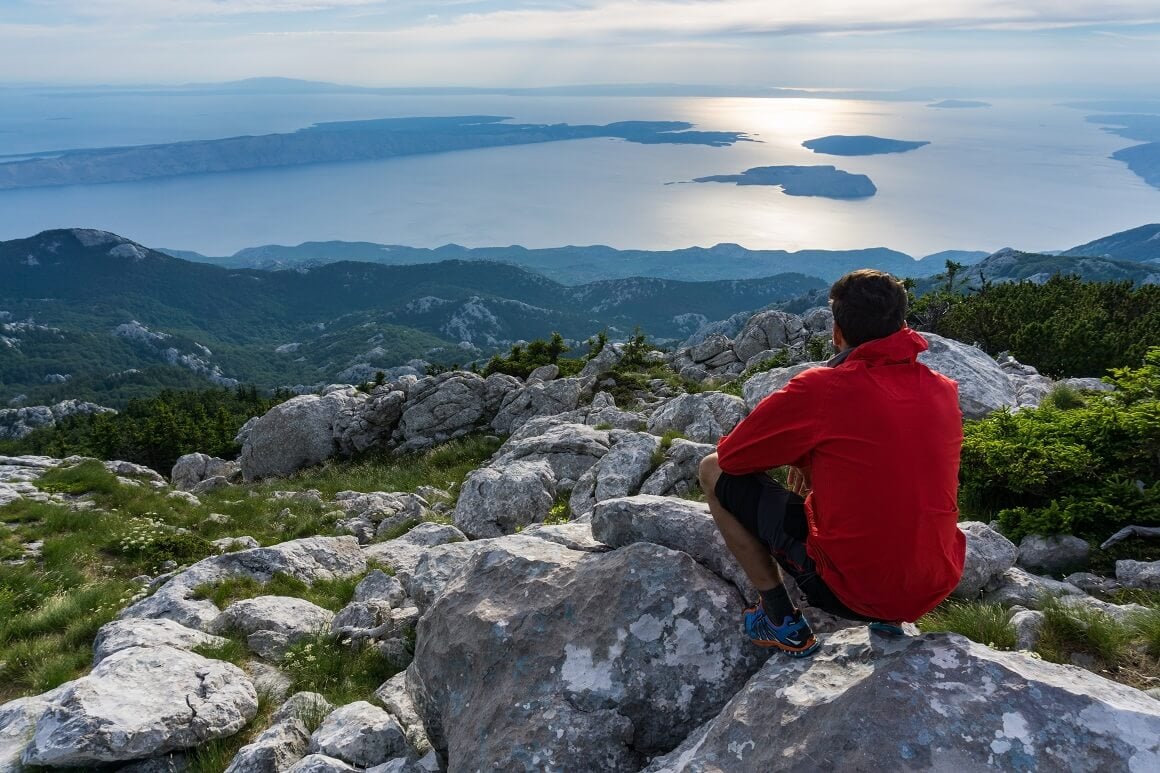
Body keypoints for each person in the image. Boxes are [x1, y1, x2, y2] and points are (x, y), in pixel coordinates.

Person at [698, 269, 965, 657]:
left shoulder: (823, 388)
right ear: (903, 326)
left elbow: (733, 457)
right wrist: (809, 458)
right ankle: (889, 620)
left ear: (837, 333)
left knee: (711, 469)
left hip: (852, 592)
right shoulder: (942, 389)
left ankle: (780, 620)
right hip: (934, 583)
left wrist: (800, 451)